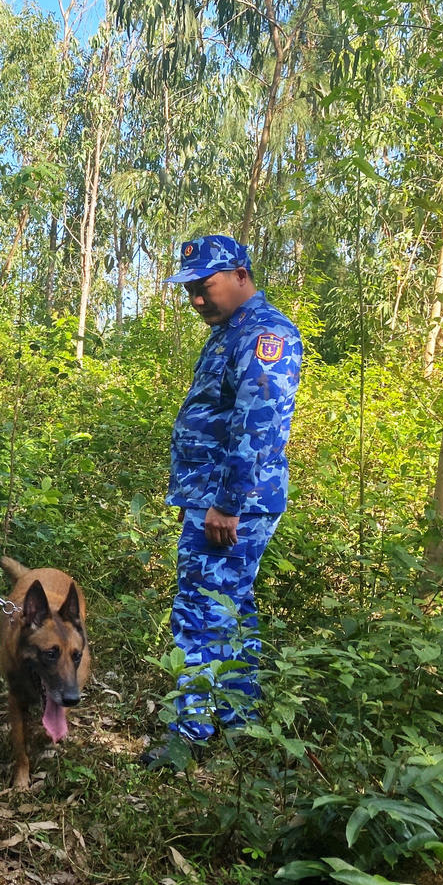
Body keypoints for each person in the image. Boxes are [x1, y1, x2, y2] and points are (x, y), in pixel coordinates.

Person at [144, 234, 303, 768]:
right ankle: (239, 725)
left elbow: (259, 425)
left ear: (240, 274)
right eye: (189, 289)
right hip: (217, 497)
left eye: (204, 286)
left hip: (229, 503)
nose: (195, 300)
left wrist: (228, 503)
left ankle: (188, 734)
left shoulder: (264, 333)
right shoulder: (227, 332)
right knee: (232, 610)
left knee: (198, 610)